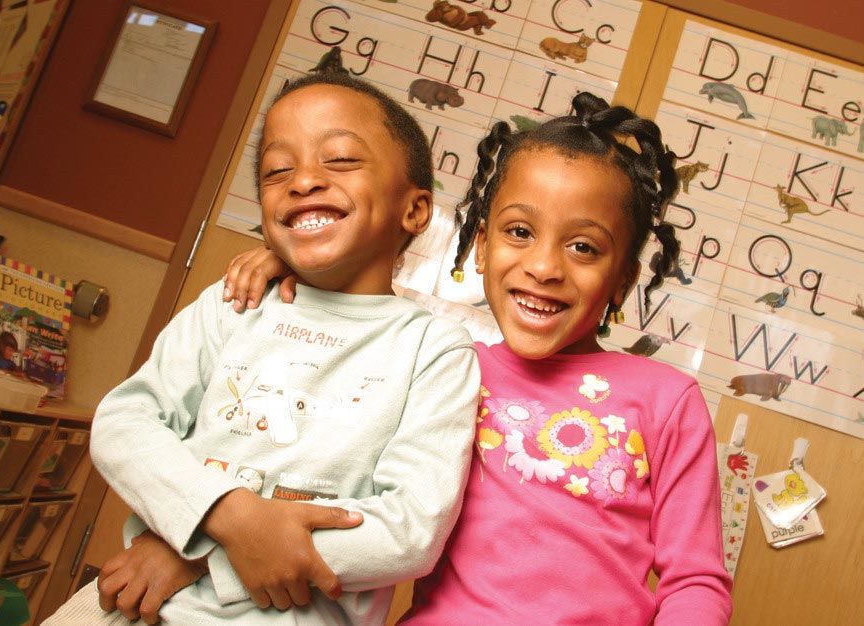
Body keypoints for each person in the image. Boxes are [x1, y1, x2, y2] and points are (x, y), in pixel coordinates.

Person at [221, 92, 732, 625]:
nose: (544, 266)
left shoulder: (667, 402)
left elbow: (696, 582)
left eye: (583, 247)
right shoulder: (438, 365)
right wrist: (294, 263)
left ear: (623, 277)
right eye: (520, 232)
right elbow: (319, 478)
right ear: (482, 246)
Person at [43, 72, 480, 626]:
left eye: (340, 160)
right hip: (136, 604)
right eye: (278, 171)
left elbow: (408, 531)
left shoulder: (434, 348)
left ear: (415, 210)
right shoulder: (233, 304)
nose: (302, 182)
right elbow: (124, 423)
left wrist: (201, 553)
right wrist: (225, 515)